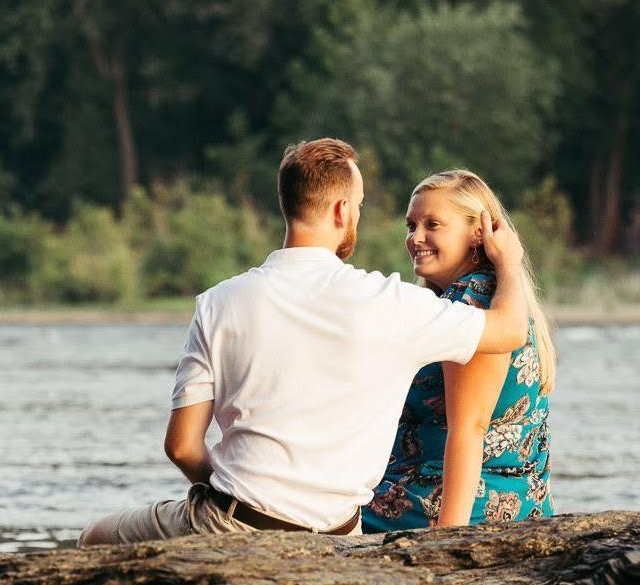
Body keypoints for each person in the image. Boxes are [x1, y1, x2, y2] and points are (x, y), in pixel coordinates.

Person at [77, 139, 536, 545]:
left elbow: (181, 447)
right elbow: (510, 331)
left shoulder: (218, 303)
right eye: (359, 205)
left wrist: (241, 497)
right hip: (340, 535)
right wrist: (510, 261)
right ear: (340, 210)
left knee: (95, 538)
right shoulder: (392, 303)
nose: (359, 215)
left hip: (232, 523)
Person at [362, 169, 556, 532]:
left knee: (316, 513)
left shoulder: (474, 300)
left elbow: (470, 428)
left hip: (455, 504)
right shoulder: (483, 297)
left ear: (477, 234)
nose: (415, 237)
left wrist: (448, 542)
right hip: (503, 500)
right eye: (411, 225)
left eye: (432, 224)